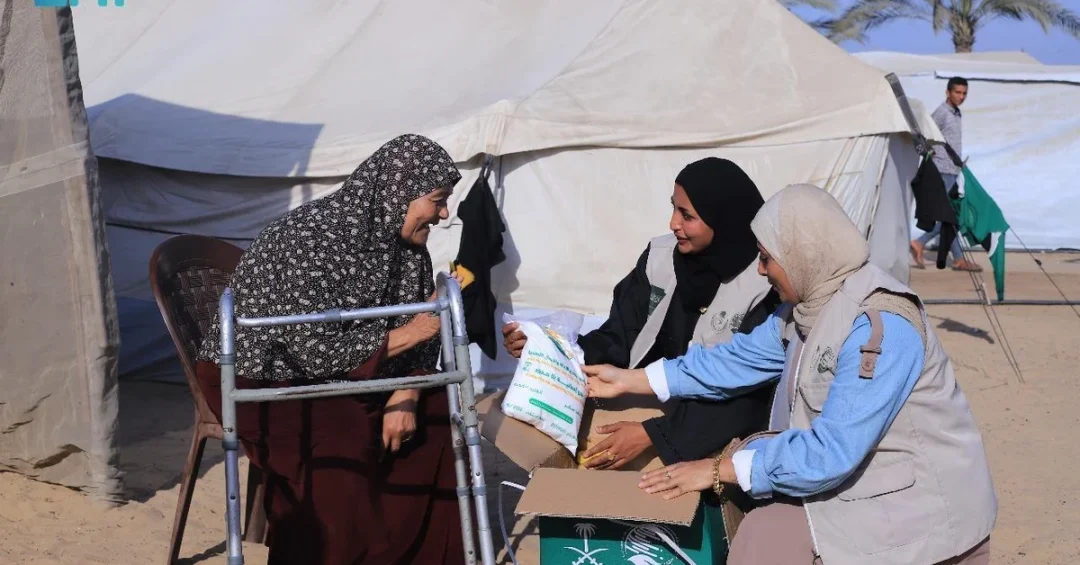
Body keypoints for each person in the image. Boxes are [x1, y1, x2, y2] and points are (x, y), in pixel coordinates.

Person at [586, 184, 997, 565]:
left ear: (804, 255)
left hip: (919, 516)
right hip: (859, 489)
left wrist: (719, 470)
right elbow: (735, 360)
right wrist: (631, 380)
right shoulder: (806, 310)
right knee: (764, 532)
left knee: (766, 537)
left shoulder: (880, 326)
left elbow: (829, 452)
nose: (761, 271)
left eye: (767, 258)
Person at [195, 134, 466, 565]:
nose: (444, 214)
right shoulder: (310, 237)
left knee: (440, 419)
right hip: (264, 374)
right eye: (437, 200)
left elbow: (416, 331)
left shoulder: (404, 247)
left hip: (352, 372)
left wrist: (407, 394)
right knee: (342, 437)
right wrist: (409, 336)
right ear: (399, 192)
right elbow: (310, 351)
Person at [502, 157, 780, 470]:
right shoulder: (659, 260)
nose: (673, 223)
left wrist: (657, 436)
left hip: (721, 445)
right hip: (648, 415)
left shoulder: (766, 282)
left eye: (687, 215)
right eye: (673, 208)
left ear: (723, 218)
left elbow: (747, 397)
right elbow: (620, 338)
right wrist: (548, 347)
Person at [911, 76, 982, 272]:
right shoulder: (942, 112)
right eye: (957, 92)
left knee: (949, 217)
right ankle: (921, 243)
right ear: (947, 92)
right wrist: (934, 157)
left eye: (964, 93)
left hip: (952, 170)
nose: (961, 96)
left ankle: (957, 258)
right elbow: (925, 134)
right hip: (942, 170)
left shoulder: (957, 113)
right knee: (949, 216)